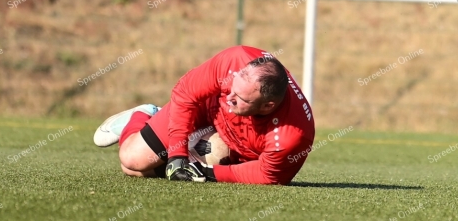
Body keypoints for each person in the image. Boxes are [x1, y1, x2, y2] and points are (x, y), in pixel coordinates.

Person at [93, 45, 315, 184]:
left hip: (242, 151)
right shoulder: (233, 60)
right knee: (132, 160)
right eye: (231, 90)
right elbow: (185, 93)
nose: (230, 99)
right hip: (206, 110)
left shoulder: (291, 136)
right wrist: (178, 156)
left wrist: (205, 172)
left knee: (136, 171)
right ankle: (143, 114)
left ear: (268, 106)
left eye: (240, 99)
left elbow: (267, 175)